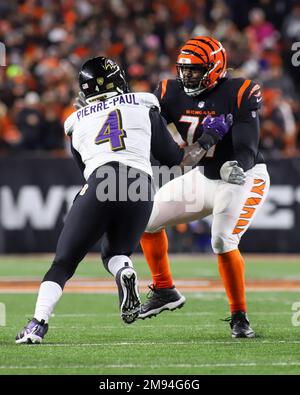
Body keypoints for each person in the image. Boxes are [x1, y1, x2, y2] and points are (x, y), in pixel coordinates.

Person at [15, 56, 231, 344]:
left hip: (101, 181)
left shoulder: (76, 121)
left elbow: (86, 172)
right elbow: (177, 161)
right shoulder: (144, 106)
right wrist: (208, 138)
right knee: (116, 253)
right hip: (141, 185)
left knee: (63, 264)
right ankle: (125, 271)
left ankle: (37, 324)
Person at [139, 36, 270, 338]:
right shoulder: (167, 91)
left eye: (196, 70)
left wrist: (236, 164)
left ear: (215, 68)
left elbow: (248, 147)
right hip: (203, 175)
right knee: (147, 221)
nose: (188, 76)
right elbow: (151, 129)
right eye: (184, 69)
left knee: (222, 241)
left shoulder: (240, 91)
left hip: (242, 178)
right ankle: (164, 289)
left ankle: (239, 316)